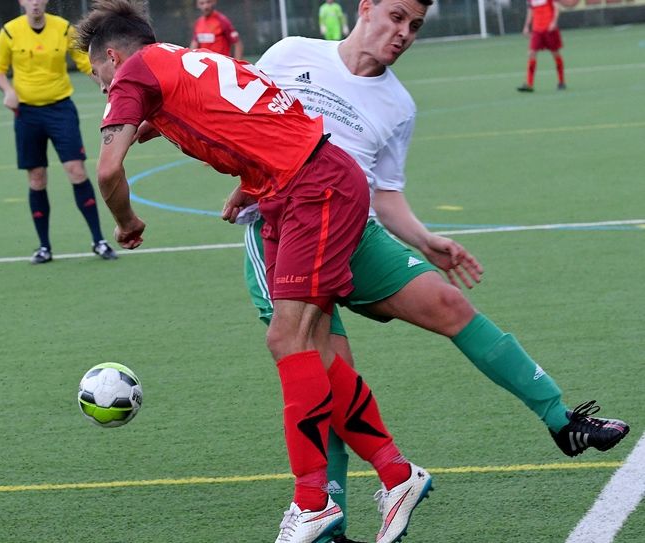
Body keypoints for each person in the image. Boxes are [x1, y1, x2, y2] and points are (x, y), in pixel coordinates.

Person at [241, 0, 629, 538]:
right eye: (397, 17)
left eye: (416, 26)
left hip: (356, 233)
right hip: (286, 236)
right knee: (327, 379)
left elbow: (385, 192)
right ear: (366, 7)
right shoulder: (290, 55)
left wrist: (426, 240)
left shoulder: (398, 104)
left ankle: (562, 420)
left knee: (450, 303)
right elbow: (238, 120)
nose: (405, 32)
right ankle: (330, 525)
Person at [76, 2, 431, 542]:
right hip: (290, 187)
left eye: (97, 72)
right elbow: (240, 111)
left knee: (287, 338)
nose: (102, 85)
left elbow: (107, 171)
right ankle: (396, 474)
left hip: (313, 187)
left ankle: (312, 503)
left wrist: (127, 221)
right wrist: (238, 172)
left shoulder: (133, 73)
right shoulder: (181, 58)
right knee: (314, 348)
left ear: (112, 55)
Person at [0, 0, 117, 264]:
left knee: (77, 171)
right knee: (37, 178)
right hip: (27, 114)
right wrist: (8, 91)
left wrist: (110, 85)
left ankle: (99, 240)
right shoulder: (10, 32)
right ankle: (44, 247)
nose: (35, 2)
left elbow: (85, 63)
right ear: (22, 2)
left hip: (60, 110)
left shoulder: (63, 29)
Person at [518, 0, 565, 92]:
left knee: (555, 53)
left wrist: (554, 22)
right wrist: (526, 26)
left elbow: (557, 8)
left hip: (549, 29)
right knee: (531, 53)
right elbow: (530, 11)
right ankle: (529, 84)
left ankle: (561, 81)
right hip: (537, 30)